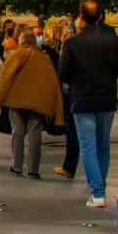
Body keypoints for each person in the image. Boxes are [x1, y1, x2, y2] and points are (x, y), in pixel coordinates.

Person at [57, 0, 118, 209]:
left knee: (88, 146)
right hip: (106, 98)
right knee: (103, 145)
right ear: (100, 16)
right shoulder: (111, 39)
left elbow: (64, 73)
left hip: (83, 99)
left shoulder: (73, 43)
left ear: (81, 17)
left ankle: (98, 192)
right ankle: (100, 189)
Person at [0, 28, 64, 179]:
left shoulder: (16, 54)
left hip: (16, 100)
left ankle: (17, 166)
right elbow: (53, 83)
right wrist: (54, 107)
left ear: (21, 41)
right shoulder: (44, 58)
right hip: (38, 103)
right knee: (35, 133)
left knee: (17, 132)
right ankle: (33, 169)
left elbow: (5, 78)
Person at [44, 19, 80, 181]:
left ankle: (70, 168)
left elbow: (63, 72)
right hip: (101, 96)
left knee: (74, 133)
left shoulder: (70, 45)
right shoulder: (105, 40)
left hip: (76, 93)